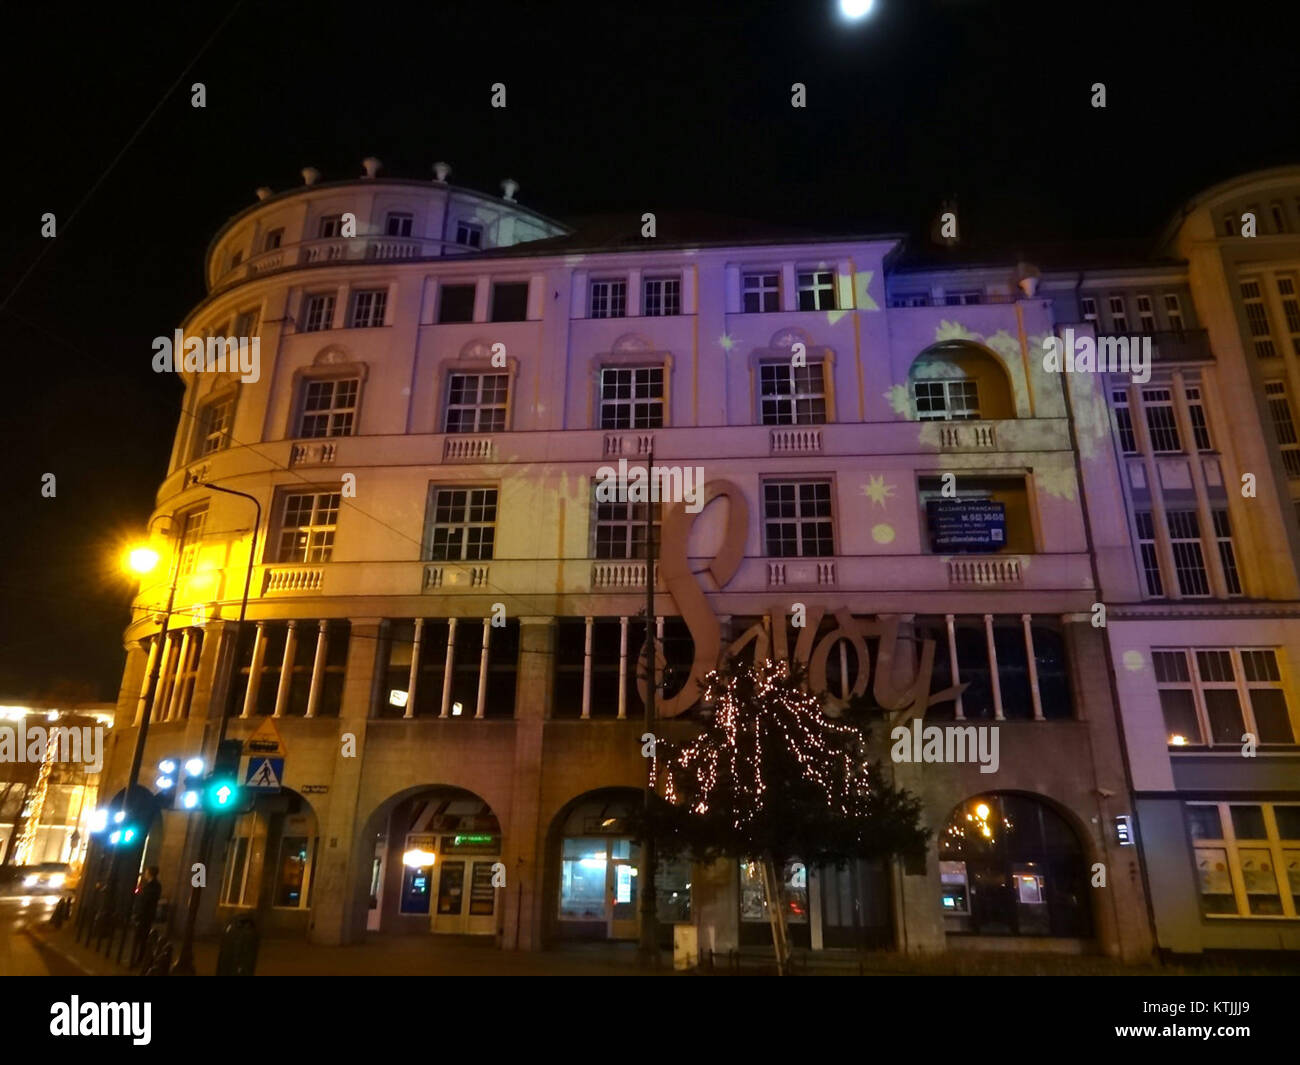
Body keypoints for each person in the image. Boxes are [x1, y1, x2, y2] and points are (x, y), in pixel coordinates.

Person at [130, 866, 162, 966]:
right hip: (146, 915)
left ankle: (139, 959)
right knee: (141, 938)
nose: (145, 873)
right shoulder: (152, 885)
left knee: (141, 938)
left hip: (145, 916)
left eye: (147, 872)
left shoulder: (153, 886)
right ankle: (140, 958)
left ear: (150, 873)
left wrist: (138, 914)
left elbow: (145, 902)